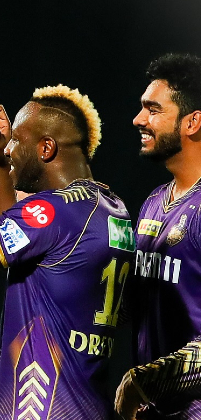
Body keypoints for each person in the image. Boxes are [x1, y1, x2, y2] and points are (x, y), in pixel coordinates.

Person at [0, 87, 133, 420]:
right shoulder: (111, 208)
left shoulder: (56, 212)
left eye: (16, 141)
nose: (9, 149)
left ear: (46, 148)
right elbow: (12, 242)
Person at [115, 53, 201, 420]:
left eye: (153, 109)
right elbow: (131, 306)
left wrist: (146, 380)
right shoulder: (153, 202)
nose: (138, 119)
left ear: (192, 122)